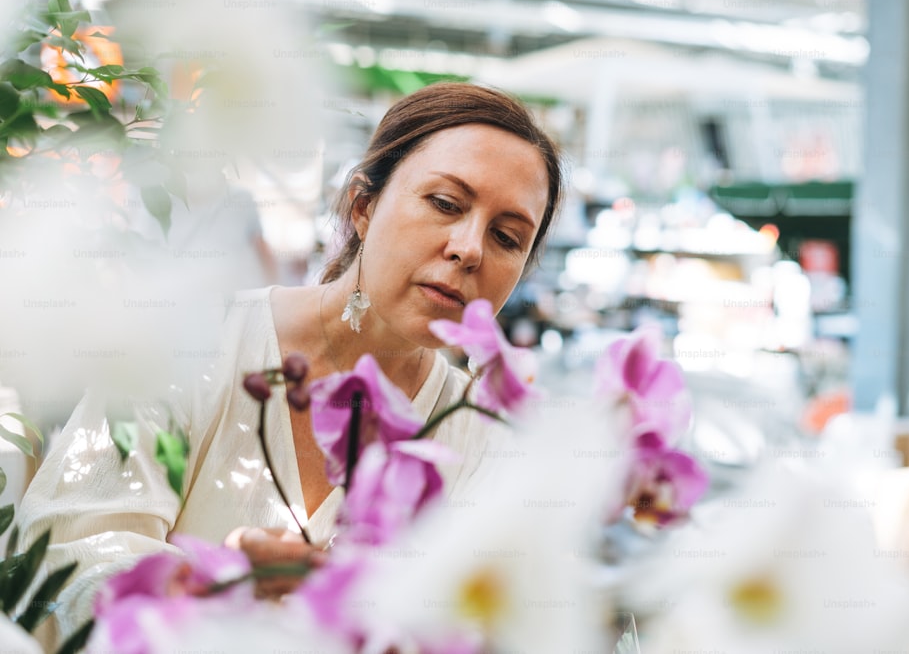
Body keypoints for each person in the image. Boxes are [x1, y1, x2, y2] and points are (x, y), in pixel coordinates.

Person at [15, 81, 563, 650]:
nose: (469, 248)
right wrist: (205, 593)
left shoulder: (483, 437)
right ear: (364, 205)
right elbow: (67, 550)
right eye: (445, 203)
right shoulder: (196, 343)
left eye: (507, 237)